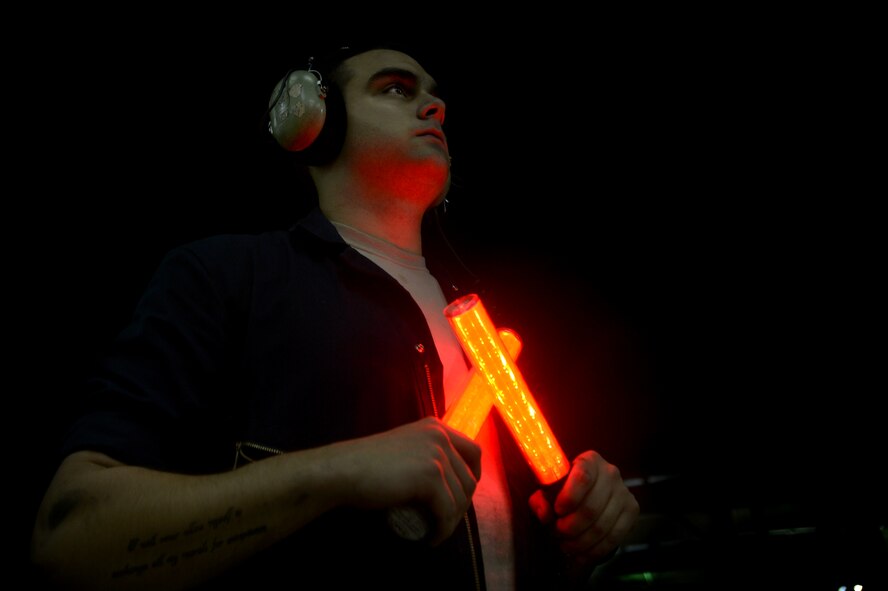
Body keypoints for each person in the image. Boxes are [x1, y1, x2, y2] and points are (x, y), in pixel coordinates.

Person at [30, 42, 639, 590]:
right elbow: (72, 537)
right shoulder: (228, 277)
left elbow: (517, 543)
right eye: (397, 88)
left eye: (434, 93)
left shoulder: (486, 334)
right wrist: (337, 470)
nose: (435, 106)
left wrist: (584, 527)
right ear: (311, 124)